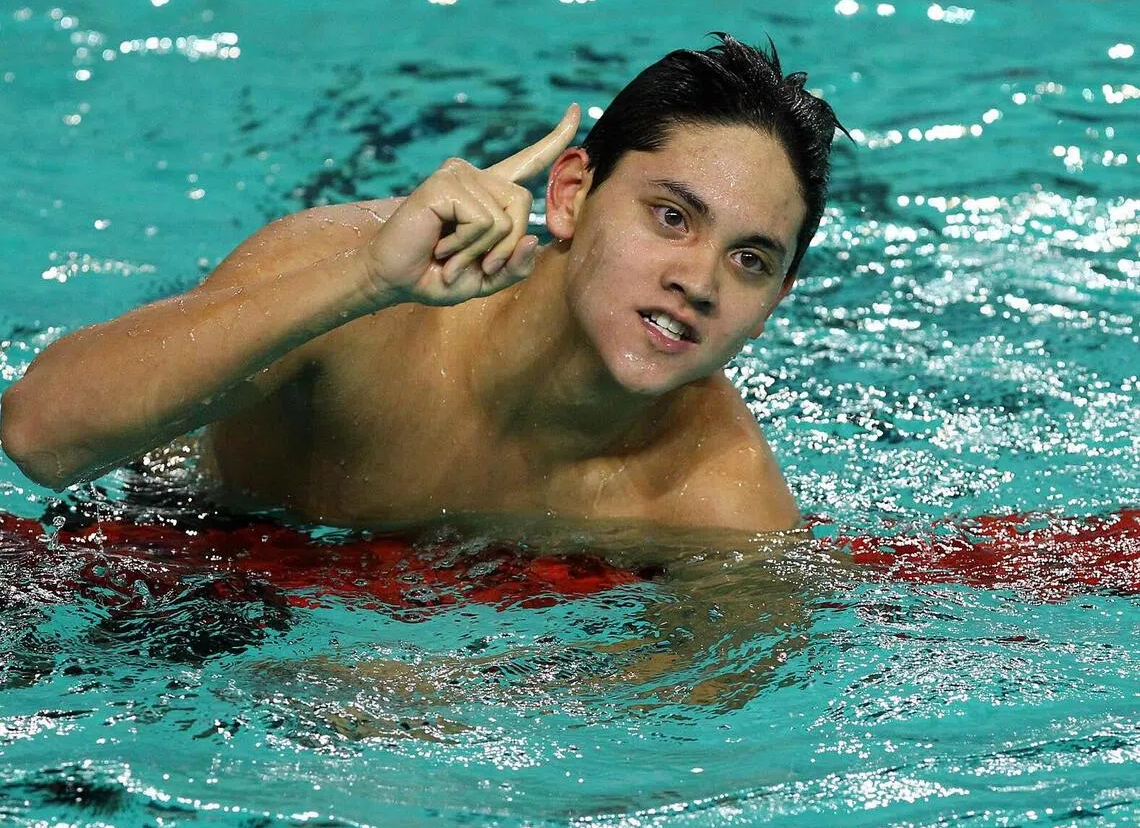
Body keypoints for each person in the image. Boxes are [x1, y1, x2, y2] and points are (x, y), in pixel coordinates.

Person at [0, 34, 844, 535]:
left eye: (749, 260)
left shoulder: (722, 504)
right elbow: (37, 437)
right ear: (572, 193)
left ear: (774, 304)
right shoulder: (357, 296)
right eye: (670, 216)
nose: (697, 280)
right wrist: (364, 280)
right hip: (184, 524)